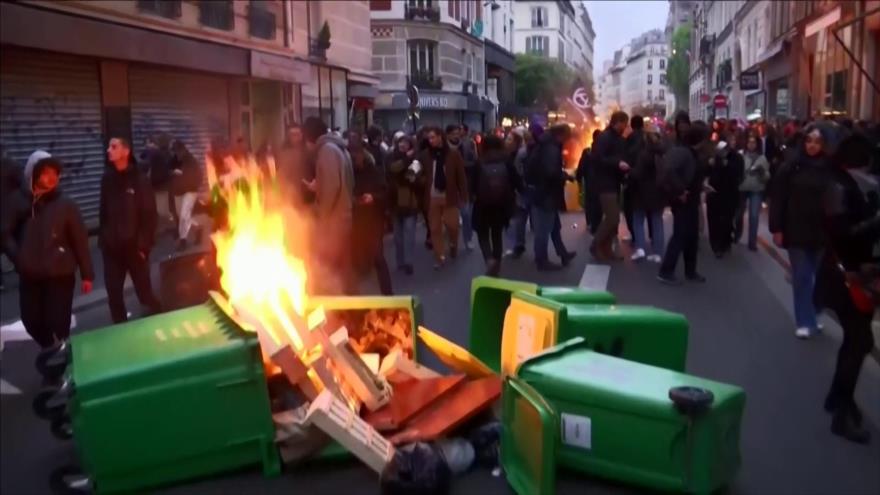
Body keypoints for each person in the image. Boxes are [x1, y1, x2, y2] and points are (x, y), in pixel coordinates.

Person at [815, 132, 879, 444]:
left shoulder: (847, 184)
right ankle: (841, 410)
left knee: (857, 339)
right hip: (846, 276)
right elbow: (842, 233)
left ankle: (838, 397)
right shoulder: (838, 185)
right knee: (859, 341)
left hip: (853, 273)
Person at [1, 156, 93, 350]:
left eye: (55, 174)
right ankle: (51, 347)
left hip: (60, 272)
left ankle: (60, 359)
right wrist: (19, 258)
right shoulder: (18, 202)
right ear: (33, 173)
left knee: (59, 321)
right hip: (30, 274)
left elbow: (80, 240)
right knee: (31, 320)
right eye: (46, 173)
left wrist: (87, 274)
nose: (52, 178)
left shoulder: (66, 204)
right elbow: (5, 233)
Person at [769, 124, 835, 339]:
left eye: (817, 142)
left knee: (818, 277)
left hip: (822, 232)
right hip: (795, 229)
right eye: (809, 141)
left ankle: (813, 313)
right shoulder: (791, 168)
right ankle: (804, 321)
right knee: (802, 276)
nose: (812, 146)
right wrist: (776, 228)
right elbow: (778, 198)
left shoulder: (830, 169)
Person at [100, 137, 163, 323]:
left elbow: (149, 214)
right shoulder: (107, 179)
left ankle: (159, 315)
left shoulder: (139, 180)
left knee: (145, 293)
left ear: (126, 151)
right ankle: (121, 330)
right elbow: (103, 212)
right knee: (114, 295)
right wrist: (104, 239)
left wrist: (144, 246)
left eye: (114, 147)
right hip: (112, 250)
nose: (108, 150)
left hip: (135, 249)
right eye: (109, 147)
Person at [302, 117, 355, 294]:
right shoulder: (338, 147)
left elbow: (333, 186)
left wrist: (322, 215)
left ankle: (342, 309)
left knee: (333, 269)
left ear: (310, 137)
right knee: (343, 267)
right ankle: (349, 306)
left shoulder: (326, 150)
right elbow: (342, 180)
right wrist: (318, 186)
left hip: (335, 220)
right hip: (344, 215)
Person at [657, 114, 708, 284]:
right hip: (683, 201)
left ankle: (690, 271)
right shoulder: (683, 152)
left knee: (691, 236)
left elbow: (690, 175)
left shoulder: (691, 153)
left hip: (691, 199)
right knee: (680, 235)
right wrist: (680, 191)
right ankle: (666, 271)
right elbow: (668, 172)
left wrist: (700, 187)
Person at [472, 135, 523, 276]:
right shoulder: (506, 161)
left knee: (482, 233)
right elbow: (516, 181)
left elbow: (473, 183)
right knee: (497, 234)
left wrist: (471, 196)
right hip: (502, 204)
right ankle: (497, 263)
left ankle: (489, 259)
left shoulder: (480, 161)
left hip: (483, 204)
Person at [349, 130, 392, 295]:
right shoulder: (350, 172)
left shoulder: (374, 171)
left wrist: (373, 197)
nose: (355, 159)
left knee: (378, 258)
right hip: (356, 220)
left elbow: (385, 192)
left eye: (357, 155)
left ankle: (387, 293)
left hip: (373, 220)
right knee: (356, 260)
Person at [528, 124, 577, 271]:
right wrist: (565, 176)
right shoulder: (551, 148)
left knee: (555, 226)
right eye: (567, 138)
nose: (567, 141)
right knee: (543, 229)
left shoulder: (545, 144)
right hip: (546, 193)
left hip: (544, 192)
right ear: (561, 135)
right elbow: (551, 172)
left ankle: (562, 253)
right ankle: (541, 260)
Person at [421, 126, 468, 270]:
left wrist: (464, 196)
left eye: (433, 137)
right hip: (432, 196)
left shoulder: (453, 154)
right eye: (429, 138)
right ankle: (439, 256)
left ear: (440, 137)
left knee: (452, 225)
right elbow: (420, 172)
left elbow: (461, 176)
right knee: (435, 229)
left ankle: (453, 243)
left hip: (449, 196)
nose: (431, 140)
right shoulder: (426, 155)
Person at [591, 111, 631, 261]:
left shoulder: (616, 138)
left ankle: (606, 249)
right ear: (617, 122)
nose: (625, 126)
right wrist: (617, 163)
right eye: (624, 123)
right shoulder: (605, 137)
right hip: (605, 183)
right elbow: (598, 158)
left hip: (613, 182)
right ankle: (596, 245)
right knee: (613, 218)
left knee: (613, 219)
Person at [630, 123, 666, 262]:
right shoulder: (663, 151)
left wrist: (629, 172)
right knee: (657, 220)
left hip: (642, 191)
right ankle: (658, 253)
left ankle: (640, 248)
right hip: (659, 191)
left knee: (638, 219)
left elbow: (637, 173)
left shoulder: (644, 154)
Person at [387, 135, 423, 275]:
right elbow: (393, 169)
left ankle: (408, 262)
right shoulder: (391, 156)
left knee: (409, 233)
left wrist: (409, 165)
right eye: (401, 142)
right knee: (397, 236)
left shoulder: (416, 159)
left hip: (409, 200)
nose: (403, 144)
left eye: (406, 143)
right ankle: (400, 261)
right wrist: (406, 159)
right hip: (394, 199)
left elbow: (412, 176)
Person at [706, 132, 744, 258]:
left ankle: (725, 243)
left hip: (730, 194)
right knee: (714, 221)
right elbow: (706, 171)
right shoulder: (714, 156)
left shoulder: (737, 158)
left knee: (726, 220)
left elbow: (739, 175)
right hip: (714, 193)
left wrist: (728, 166)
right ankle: (716, 245)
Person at [735, 132, 770, 250]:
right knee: (738, 214)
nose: (751, 144)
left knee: (754, 216)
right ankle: (736, 235)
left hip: (756, 189)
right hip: (742, 188)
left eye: (754, 142)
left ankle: (752, 242)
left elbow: (767, 176)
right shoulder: (740, 155)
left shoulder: (762, 158)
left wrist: (762, 173)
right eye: (749, 142)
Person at [169, 140, 203, 251]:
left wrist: (184, 177)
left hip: (190, 191)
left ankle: (183, 241)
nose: (176, 154)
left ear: (182, 150)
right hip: (181, 191)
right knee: (184, 216)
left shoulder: (190, 160)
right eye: (175, 152)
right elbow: (168, 170)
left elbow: (197, 175)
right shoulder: (177, 160)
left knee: (184, 216)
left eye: (177, 152)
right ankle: (198, 229)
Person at [449, 124, 478, 252]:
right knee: (450, 218)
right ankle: (452, 241)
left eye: (459, 132)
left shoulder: (468, 144)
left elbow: (475, 161)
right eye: (455, 132)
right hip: (449, 186)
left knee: (466, 215)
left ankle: (468, 239)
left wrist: (462, 167)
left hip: (465, 184)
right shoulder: (445, 148)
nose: (457, 135)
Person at [505, 130, 530, 258]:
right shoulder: (509, 154)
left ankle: (518, 244)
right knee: (517, 219)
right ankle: (518, 244)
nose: (506, 141)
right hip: (515, 190)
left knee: (518, 218)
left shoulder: (520, 154)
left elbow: (518, 174)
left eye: (509, 139)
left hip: (520, 190)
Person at [576, 129, 604, 235]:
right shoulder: (602, 150)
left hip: (590, 180)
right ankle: (597, 222)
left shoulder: (587, 151)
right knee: (599, 203)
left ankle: (590, 222)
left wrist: (579, 178)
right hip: (601, 181)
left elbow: (581, 166)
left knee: (590, 201)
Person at [623, 115, 646, 242]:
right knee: (649, 210)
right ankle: (653, 236)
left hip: (632, 178)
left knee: (631, 208)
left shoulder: (629, 139)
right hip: (647, 179)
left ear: (631, 125)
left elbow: (626, 157)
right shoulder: (648, 137)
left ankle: (635, 234)